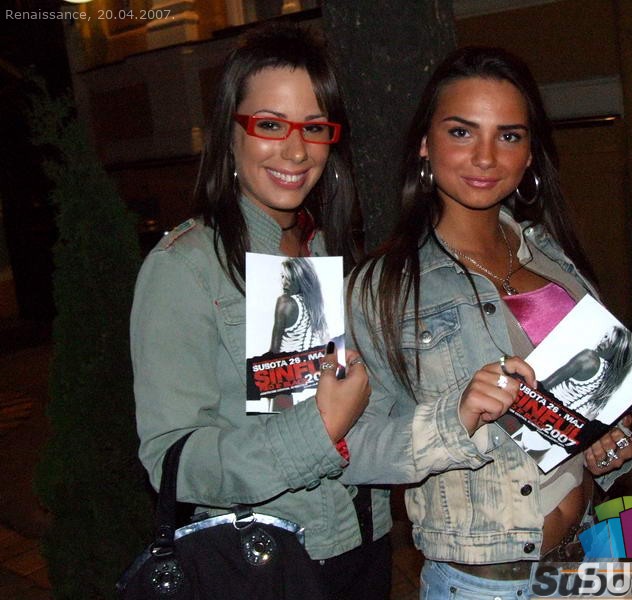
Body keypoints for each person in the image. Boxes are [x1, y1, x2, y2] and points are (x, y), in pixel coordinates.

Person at [345, 47, 632, 598]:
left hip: (587, 559)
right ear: (425, 144)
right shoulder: (382, 288)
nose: (485, 157)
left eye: (508, 135)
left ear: (529, 154)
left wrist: (610, 444)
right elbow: (347, 449)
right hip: (485, 585)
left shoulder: (553, 259)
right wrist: (454, 419)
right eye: (462, 132)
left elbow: (599, 405)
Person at [130, 24, 392, 599]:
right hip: (265, 561)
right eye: (270, 125)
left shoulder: (328, 249)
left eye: (314, 128)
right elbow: (173, 460)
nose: (296, 151)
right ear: (229, 132)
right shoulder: (186, 268)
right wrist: (317, 431)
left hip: (366, 541)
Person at [542, 326, 632, 420]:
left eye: (612, 344)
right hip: (560, 423)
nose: (603, 343)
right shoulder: (611, 383)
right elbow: (590, 417)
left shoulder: (589, 357)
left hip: (542, 407)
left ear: (619, 353)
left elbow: (545, 385)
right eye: (606, 337)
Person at [269, 257, 328, 353]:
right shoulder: (316, 306)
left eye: (290, 278)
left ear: (301, 280)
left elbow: (273, 351)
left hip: (287, 361)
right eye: (283, 276)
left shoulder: (284, 302)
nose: (284, 283)